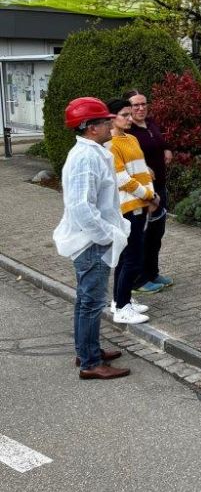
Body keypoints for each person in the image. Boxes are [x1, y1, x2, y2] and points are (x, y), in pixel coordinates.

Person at [52, 98, 132, 379]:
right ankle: (89, 363)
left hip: (92, 239)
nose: (110, 124)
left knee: (86, 300)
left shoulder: (92, 152)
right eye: (104, 121)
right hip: (91, 242)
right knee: (91, 302)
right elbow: (81, 207)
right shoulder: (86, 158)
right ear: (90, 128)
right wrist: (106, 236)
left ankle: (88, 351)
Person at [104, 99, 158, 325]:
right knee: (132, 258)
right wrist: (149, 195)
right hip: (128, 206)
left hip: (141, 203)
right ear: (112, 118)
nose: (129, 118)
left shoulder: (132, 138)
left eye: (129, 114)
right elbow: (122, 179)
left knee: (128, 257)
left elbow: (139, 169)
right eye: (124, 115)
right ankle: (122, 307)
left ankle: (120, 300)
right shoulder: (111, 144)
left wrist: (148, 180)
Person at [124, 89, 174, 294]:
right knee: (141, 235)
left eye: (143, 104)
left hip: (159, 186)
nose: (140, 108)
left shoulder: (151, 123)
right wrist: (144, 169)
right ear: (128, 108)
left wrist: (167, 148)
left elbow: (161, 140)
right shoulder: (128, 131)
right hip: (142, 191)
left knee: (156, 233)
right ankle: (138, 279)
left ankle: (153, 273)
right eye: (135, 105)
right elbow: (127, 160)